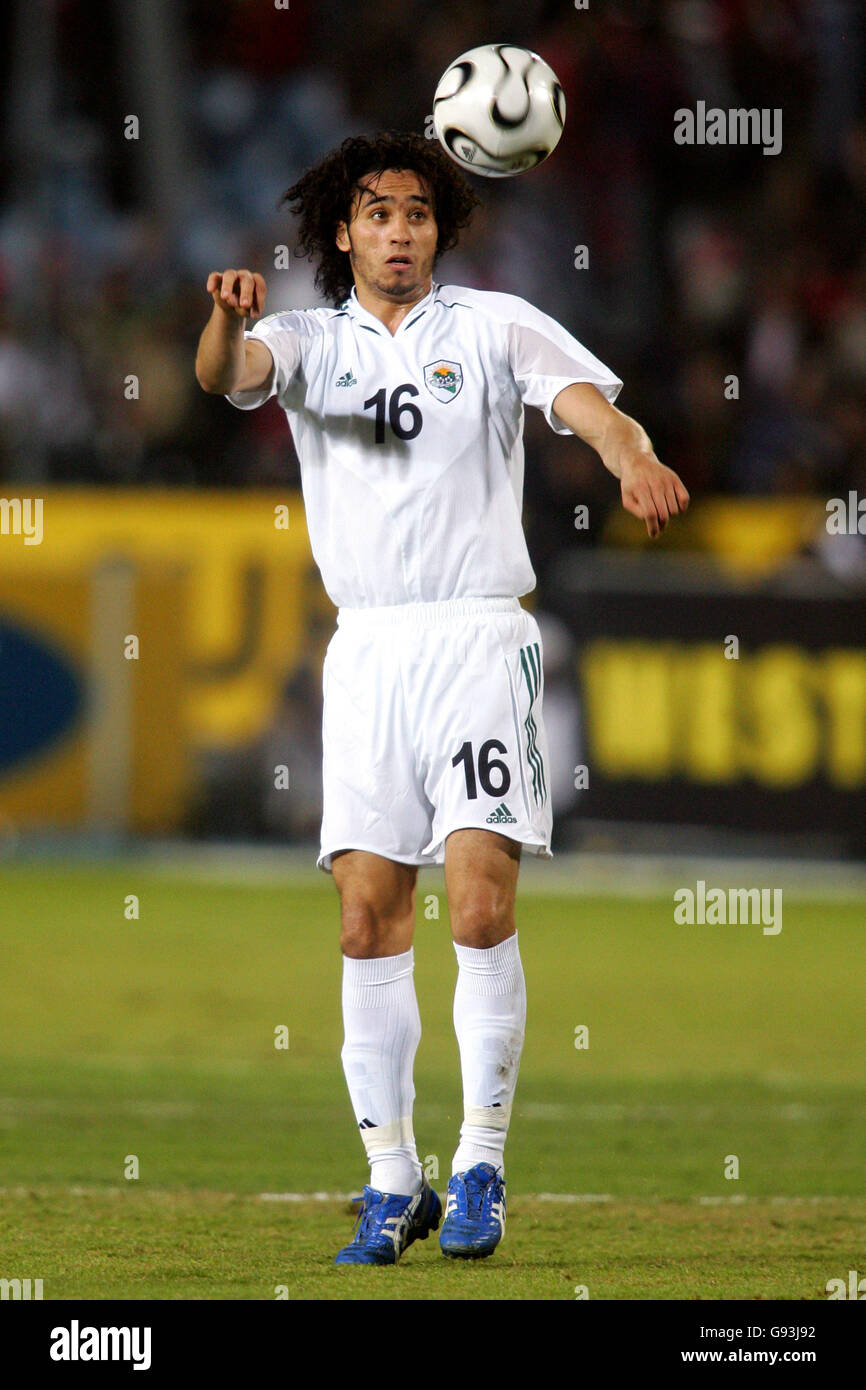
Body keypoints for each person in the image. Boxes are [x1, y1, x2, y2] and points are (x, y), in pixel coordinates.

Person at [195, 131, 689, 1266]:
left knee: (474, 908)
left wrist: (627, 457)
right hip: (367, 650)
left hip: (474, 636)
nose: (399, 233)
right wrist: (224, 316)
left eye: (417, 214)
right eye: (378, 214)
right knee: (367, 919)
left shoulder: (492, 324)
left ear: (438, 230)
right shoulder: (304, 341)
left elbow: (588, 406)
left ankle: (479, 1165)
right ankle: (390, 1180)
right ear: (341, 231)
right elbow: (226, 377)